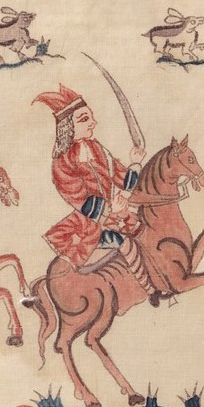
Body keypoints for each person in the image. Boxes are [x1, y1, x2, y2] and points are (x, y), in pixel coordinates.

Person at [37, 88, 133, 277]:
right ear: (67, 127)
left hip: (116, 214)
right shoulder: (62, 162)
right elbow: (78, 198)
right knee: (125, 246)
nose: (93, 123)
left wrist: (136, 164)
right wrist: (110, 208)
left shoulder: (96, 147)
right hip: (88, 227)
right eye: (84, 119)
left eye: (91, 117)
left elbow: (121, 175)